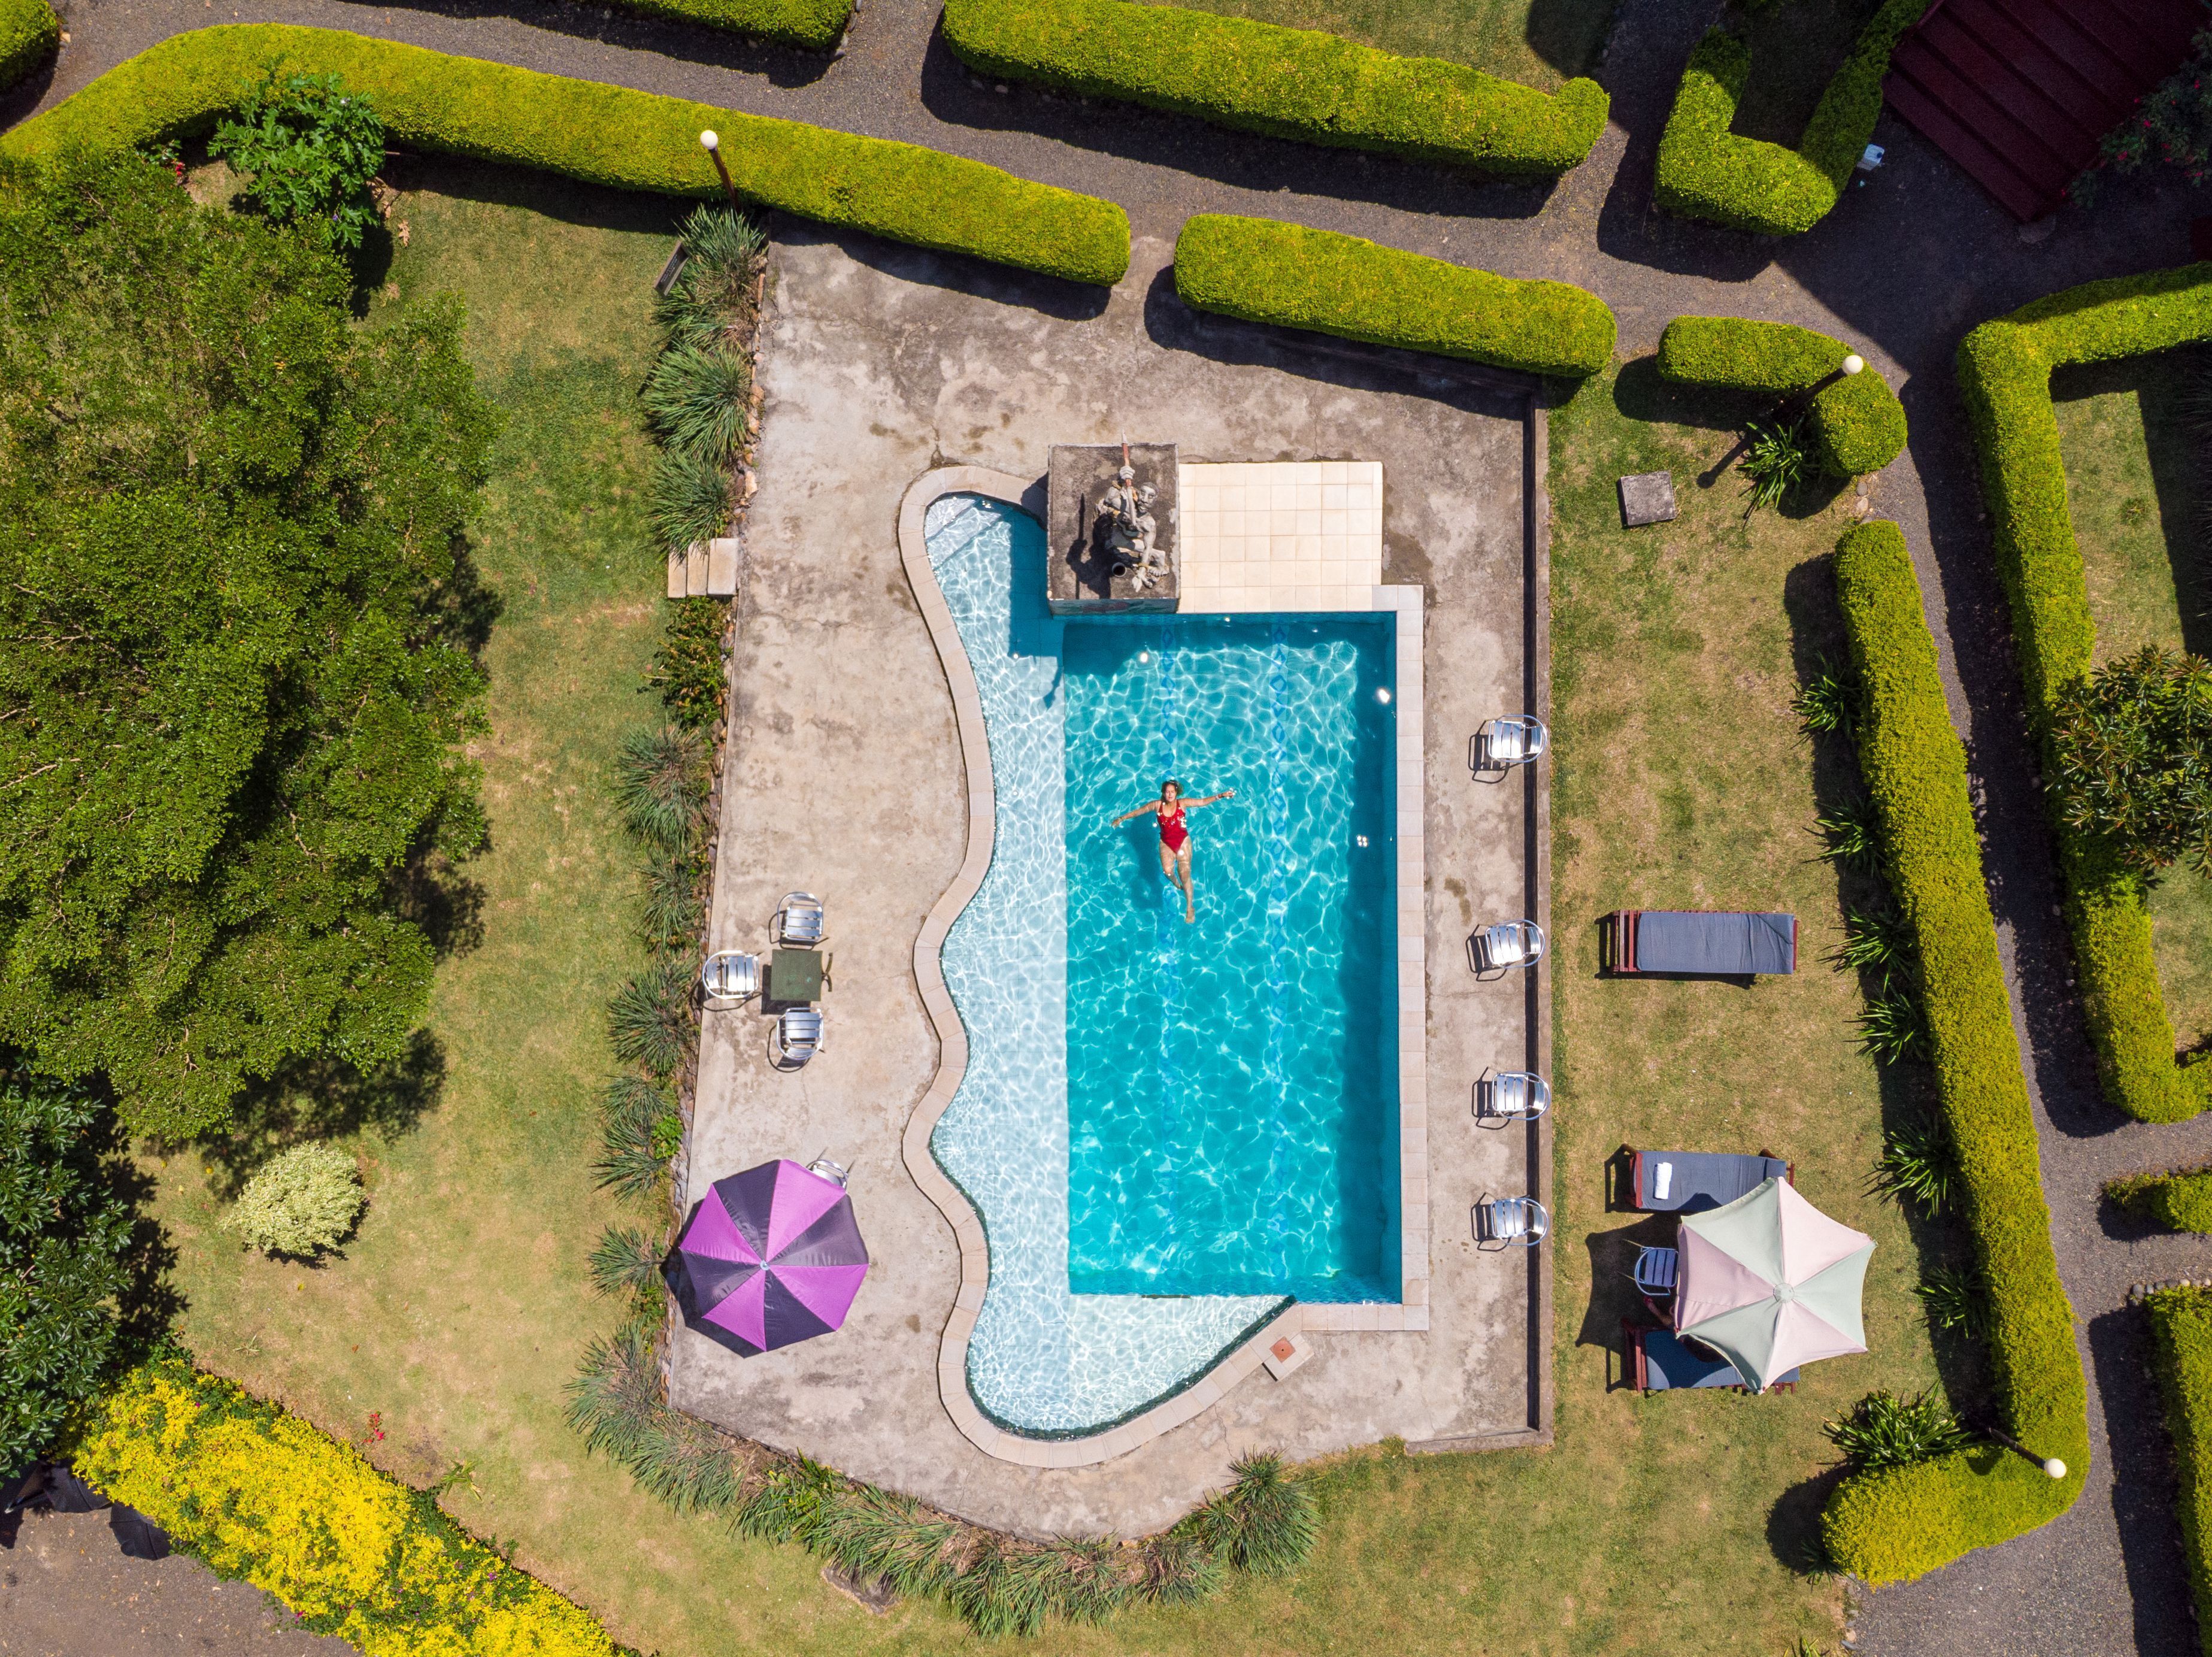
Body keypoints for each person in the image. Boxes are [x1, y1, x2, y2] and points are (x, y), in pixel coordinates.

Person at [1112, 778, 1235, 923]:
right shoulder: (1157, 805)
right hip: (1166, 842)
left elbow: (1201, 802)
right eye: (1167, 792)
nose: (1170, 795)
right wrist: (1121, 818)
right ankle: (1176, 884)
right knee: (1167, 872)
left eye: (1172, 792)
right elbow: (1139, 812)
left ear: (1176, 792)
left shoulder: (1182, 803)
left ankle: (1190, 907)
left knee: (1185, 874)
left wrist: (1220, 796)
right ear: (1163, 793)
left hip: (1183, 842)